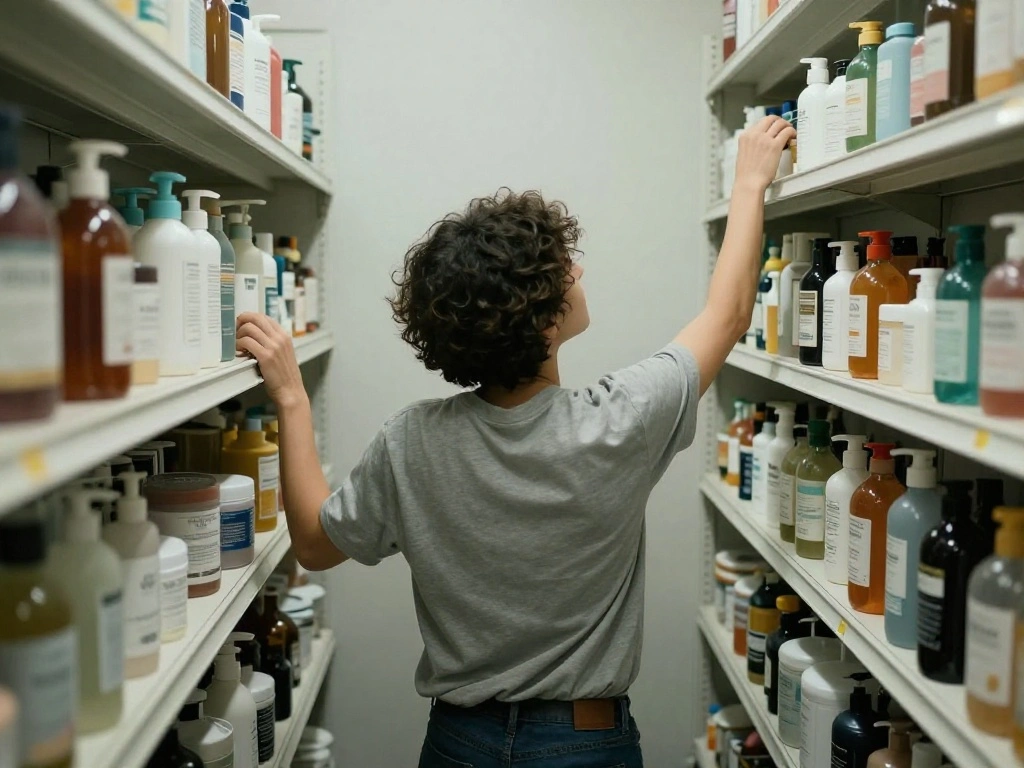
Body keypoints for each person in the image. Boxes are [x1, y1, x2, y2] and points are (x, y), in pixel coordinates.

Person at [236, 114, 795, 768]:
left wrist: (292, 399)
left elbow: (313, 543)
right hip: (586, 744)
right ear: (544, 315)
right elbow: (726, 316)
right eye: (565, 268)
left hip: (458, 743)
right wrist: (751, 182)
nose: (579, 269)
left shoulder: (412, 442)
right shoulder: (619, 419)